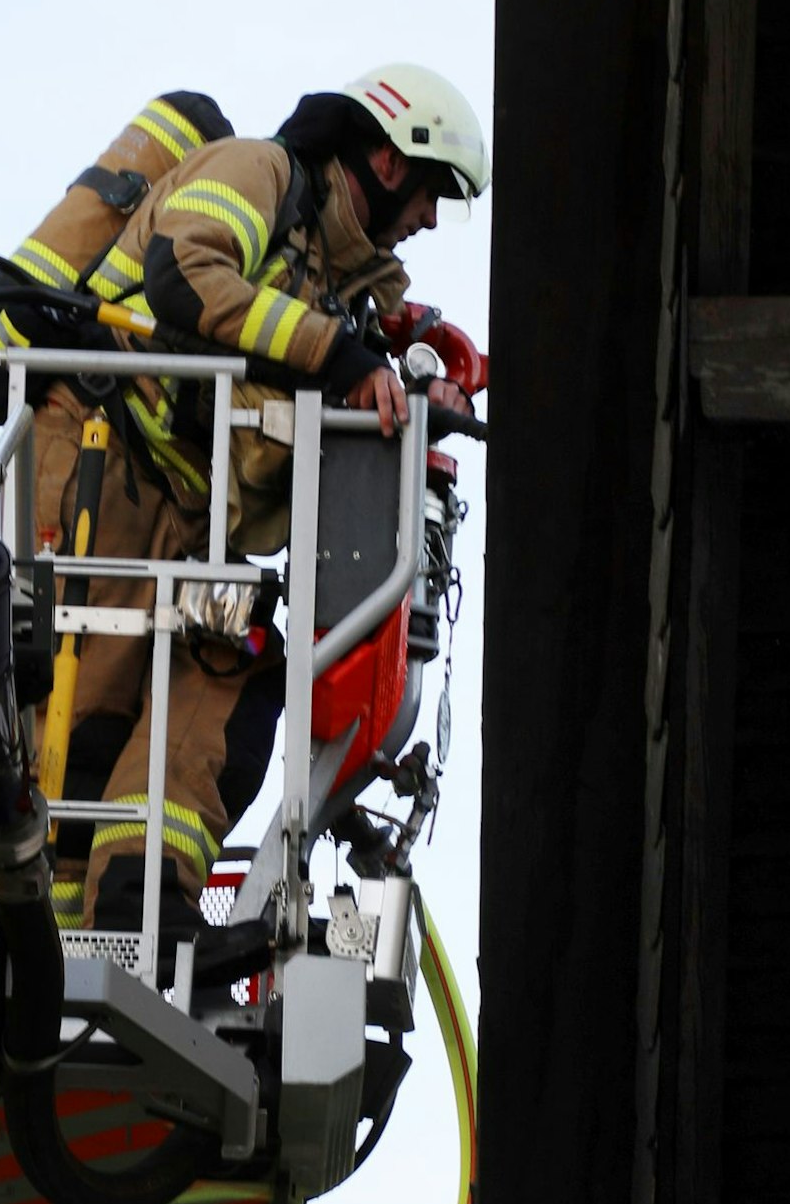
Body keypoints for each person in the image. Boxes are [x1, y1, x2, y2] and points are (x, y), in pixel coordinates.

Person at [32, 63, 489, 943]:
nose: (433, 218)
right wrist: (343, 361)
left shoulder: (344, 269)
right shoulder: (255, 172)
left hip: (188, 521)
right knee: (88, 724)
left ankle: (145, 918)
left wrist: (429, 351)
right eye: (434, 192)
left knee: (231, 679)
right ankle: (47, 954)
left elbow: (387, 313)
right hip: (104, 453)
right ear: (388, 161)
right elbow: (182, 275)